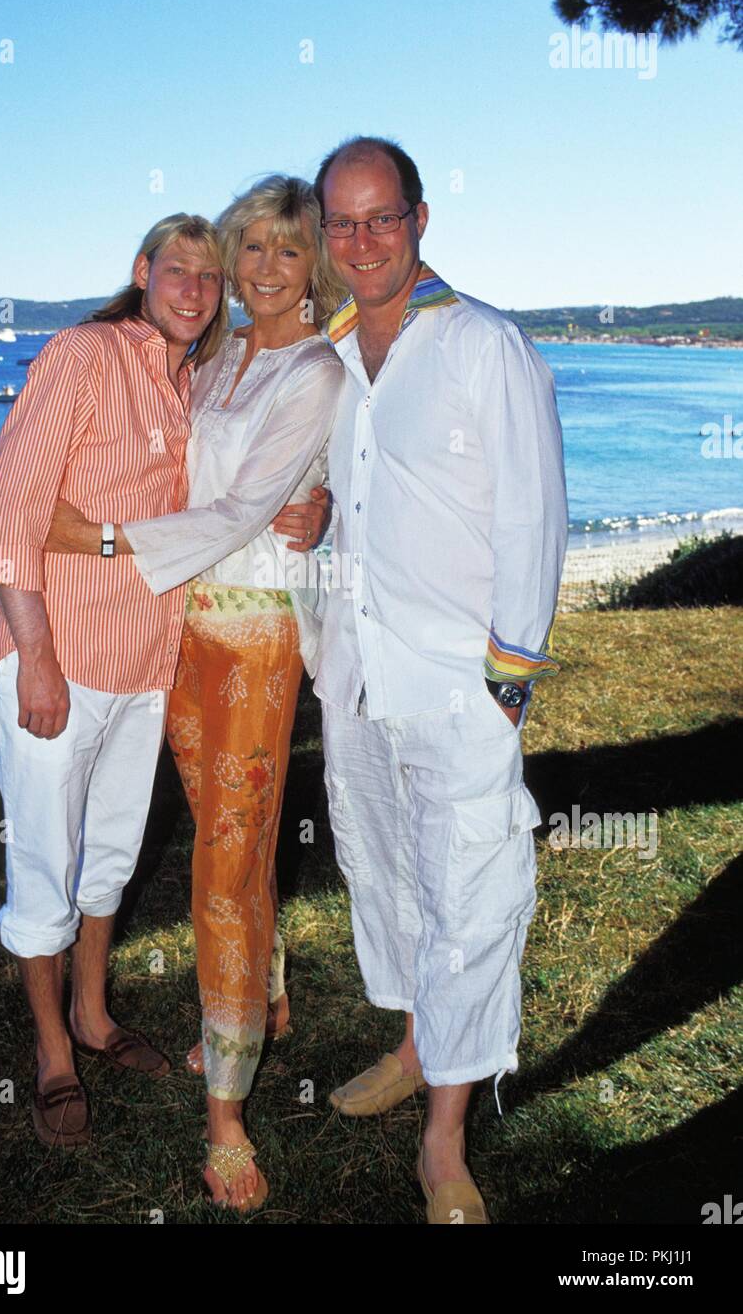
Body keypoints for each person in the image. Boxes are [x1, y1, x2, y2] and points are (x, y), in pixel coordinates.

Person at [43, 175, 345, 1208]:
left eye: (285, 253)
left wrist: (99, 538)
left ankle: (226, 1109)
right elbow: (164, 466)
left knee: (223, 861)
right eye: (246, 250)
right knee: (232, 834)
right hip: (178, 632)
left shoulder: (313, 370)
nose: (260, 271)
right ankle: (260, 990)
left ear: (314, 267)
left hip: (253, 639)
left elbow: (244, 506)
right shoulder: (212, 361)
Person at [311, 137, 568, 1224]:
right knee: (386, 873)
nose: (361, 241)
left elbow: (533, 513)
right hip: (357, 675)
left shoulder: (482, 346)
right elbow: (344, 500)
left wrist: (506, 676)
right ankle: (417, 1044)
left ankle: (445, 1137)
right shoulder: (325, 357)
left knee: (467, 893)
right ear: (324, 235)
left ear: (418, 221)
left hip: (459, 679)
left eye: (381, 218)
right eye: (341, 222)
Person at [0, 213, 227, 1149]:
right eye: (179, 270)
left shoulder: (193, 381)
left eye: (209, 277)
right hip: (61, 661)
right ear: (142, 272)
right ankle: (51, 1052)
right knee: (44, 861)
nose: (194, 290)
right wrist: (35, 657)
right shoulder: (84, 355)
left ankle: (93, 1013)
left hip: (144, 664)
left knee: (109, 853)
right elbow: (6, 514)